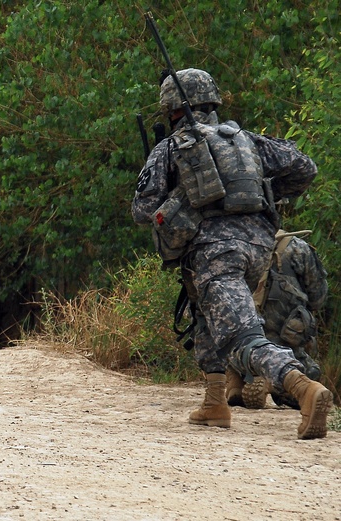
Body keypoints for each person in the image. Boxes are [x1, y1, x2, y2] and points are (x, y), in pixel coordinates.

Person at [131, 68, 333, 439]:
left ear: (172, 110)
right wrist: (267, 192)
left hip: (214, 251)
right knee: (207, 314)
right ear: (213, 102)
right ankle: (214, 402)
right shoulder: (245, 140)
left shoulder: (173, 146)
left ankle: (304, 388)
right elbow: (306, 168)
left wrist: (181, 199)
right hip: (259, 246)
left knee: (241, 334)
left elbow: (143, 211)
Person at [231, 229, 328, 410]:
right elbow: (318, 297)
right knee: (311, 374)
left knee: (232, 340)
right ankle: (274, 383)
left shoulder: (234, 245)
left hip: (244, 336)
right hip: (285, 336)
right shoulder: (298, 248)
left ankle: (236, 378)